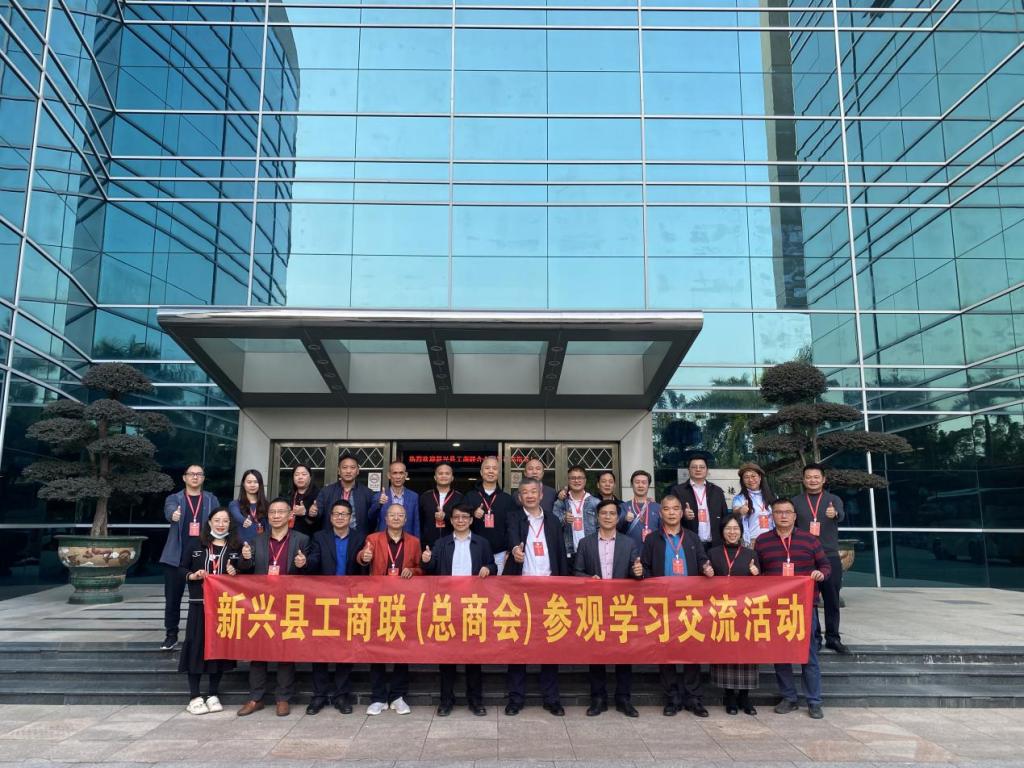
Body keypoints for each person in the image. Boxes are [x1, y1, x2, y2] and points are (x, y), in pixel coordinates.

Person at [637, 494, 714, 717]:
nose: (671, 512)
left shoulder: (692, 538)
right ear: (660, 513)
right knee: (666, 652)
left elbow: (702, 560)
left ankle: (694, 698)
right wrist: (640, 574)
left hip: (690, 604)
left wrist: (706, 568)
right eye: (667, 509)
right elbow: (645, 568)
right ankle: (672, 697)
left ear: (681, 513)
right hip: (663, 605)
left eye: (675, 509)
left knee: (691, 650)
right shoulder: (652, 539)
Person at [755, 498, 830, 719]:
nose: (783, 516)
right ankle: (789, 697)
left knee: (809, 655)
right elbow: (757, 572)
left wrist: (820, 574)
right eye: (778, 512)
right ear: (772, 516)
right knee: (781, 654)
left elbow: (826, 566)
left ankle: (814, 701)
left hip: (803, 607)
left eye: (787, 512)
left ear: (795, 516)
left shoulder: (809, 540)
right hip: (776, 607)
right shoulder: (762, 541)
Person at [236, 497, 311, 717]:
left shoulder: (302, 540)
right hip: (262, 603)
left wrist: (303, 564)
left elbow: (311, 571)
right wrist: (245, 559)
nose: (276, 516)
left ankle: (283, 698)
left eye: (281, 512)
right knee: (258, 650)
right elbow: (245, 569)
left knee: (285, 650)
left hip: (289, 602)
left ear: (290, 515)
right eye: (272, 512)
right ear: (267, 516)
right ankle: (256, 697)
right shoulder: (257, 540)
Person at [421, 503, 496, 717]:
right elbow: (431, 569)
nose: (461, 520)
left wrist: (488, 568)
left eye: (465, 517)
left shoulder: (481, 543)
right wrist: (426, 561)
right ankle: (446, 700)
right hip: (448, 605)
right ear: (451, 520)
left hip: (473, 605)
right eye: (456, 517)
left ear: (471, 520)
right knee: (447, 657)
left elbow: (493, 566)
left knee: (474, 657)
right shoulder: (441, 543)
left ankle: (476, 701)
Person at [504, 477, 570, 716]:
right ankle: (515, 698)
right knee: (517, 644)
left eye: (534, 491)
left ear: (541, 495)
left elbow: (560, 553)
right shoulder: (513, 517)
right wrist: (515, 550)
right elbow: (512, 537)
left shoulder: (552, 520)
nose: (530, 495)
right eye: (525, 492)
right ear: (519, 497)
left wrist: (564, 586)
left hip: (549, 592)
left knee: (549, 645)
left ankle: (551, 698)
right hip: (521, 591)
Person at [573, 498, 641, 718]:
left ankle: (624, 698)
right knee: (597, 654)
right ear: (597, 517)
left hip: (621, 606)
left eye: (612, 513)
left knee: (624, 655)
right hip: (596, 605)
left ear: (618, 517)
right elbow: (576, 572)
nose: (608, 517)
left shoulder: (628, 543)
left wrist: (638, 572)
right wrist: (588, 579)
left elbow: (636, 572)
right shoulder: (585, 543)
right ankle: (598, 699)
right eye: (604, 513)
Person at [357, 503, 422, 715]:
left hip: (403, 602)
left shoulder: (414, 542)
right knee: (377, 649)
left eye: (400, 515)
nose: (395, 518)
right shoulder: (373, 539)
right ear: (385, 519)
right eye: (392, 515)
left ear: (405, 519)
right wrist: (364, 557)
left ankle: (398, 696)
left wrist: (412, 571)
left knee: (402, 649)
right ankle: (378, 697)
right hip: (378, 601)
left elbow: (421, 568)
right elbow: (362, 558)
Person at [305, 499, 365, 715]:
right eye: (336, 514)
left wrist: (366, 560)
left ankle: (341, 695)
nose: (340, 517)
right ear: (330, 517)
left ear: (350, 517)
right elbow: (314, 561)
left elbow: (363, 568)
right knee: (320, 648)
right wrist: (305, 562)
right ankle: (319, 695)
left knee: (345, 648)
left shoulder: (359, 538)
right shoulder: (319, 537)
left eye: (344, 514)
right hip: (324, 600)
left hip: (349, 600)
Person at [179, 507, 241, 715]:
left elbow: (246, 571)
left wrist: (236, 569)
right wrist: (193, 575)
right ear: (209, 522)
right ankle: (194, 696)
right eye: (217, 520)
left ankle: (213, 693)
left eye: (225, 521)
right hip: (200, 604)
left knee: (219, 649)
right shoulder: (196, 544)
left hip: (224, 607)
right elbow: (180, 569)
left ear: (230, 524)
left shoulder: (235, 547)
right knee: (196, 647)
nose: (221, 524)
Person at [159, 464, 220, 651]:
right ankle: (171, 635)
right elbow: (169, 511)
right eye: (191, 474)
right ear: (184, 478)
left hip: (201, 556)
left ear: (203, 478)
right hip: (176, 557)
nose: (195, 477)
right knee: (172, 599)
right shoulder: (174, 498)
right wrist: (173, 515)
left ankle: (206, 635)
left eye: (199, 474)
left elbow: (219, 520)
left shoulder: (211, 499)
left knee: (206, 598)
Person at [791, 463, 849, 654]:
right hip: (804, 557)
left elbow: (841, 515)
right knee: (808, 600)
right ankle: (814, 638)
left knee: (832, 599)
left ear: (823, 479)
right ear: (803, 480)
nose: (812, 480)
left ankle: (833, 637)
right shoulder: (796, 501)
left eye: (816, 477)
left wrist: (835, 513)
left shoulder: (833, 499)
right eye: (808, 477)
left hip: (829, 555)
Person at [707, 513, 761, 716]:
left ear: (741, 531)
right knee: (726, 654)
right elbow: (704, 583)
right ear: (722, 532)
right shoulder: (713, 553)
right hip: (722, 612)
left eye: (736, 528)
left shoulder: (750, 554)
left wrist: (756, 575)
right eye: (728, 528)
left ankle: (745, 697)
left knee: (747, 654)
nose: (732, 532)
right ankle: (729, 696)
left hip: (745, 612)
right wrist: (707, 573)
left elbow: (763, 587)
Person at [464, 456, 515, 574]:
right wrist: (472, 514)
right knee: (473, 584)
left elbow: (512, 527)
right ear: (481, 472)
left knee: (497, 585)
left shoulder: (507, 499)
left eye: (494, 468)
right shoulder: (470, 496)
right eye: (487, 468)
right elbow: (460, 521)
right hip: (473, 551)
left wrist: (509, 550)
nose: (491, 471)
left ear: (498, 473)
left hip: (500, 553)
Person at [670, 455, 728, 549]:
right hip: (688, 544)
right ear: (688, 470)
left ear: (707, 470)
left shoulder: (717, 491)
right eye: (694, 467)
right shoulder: (678, 491)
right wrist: (683, 515)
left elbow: (725, 517)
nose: (698, 469)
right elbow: (670, 515)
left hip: (715, 545)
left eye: (702, 467)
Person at [312, 453, 375, 533]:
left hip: (358, 538)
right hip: (331, 537)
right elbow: (317, 515)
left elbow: (373, 518)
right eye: (344, 467)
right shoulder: (326, 491)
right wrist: (313, 513)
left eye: (352, 467)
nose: (348, 471)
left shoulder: (367, 493)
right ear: (339, 471)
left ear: (358, 471)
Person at [553, 465, 598, 563]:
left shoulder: (595, 503)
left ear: (585, 480)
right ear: (568, 481)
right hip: (568, 553)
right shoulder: (561, 502)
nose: (576, 481)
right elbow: (553, 526)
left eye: (580, 478)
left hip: (591, 552)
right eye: (573, 478)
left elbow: (600, 528)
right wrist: (564, 519)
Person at [369, 461, 420, 538]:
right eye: (395, 473)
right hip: (384, 540)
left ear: (406, 475)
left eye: (401, 473)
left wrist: (417, 542)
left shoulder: (414, 497)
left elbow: (416, 523)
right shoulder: (378, 496)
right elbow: (370, 519)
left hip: (407, 540)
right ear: (389, 475)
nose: (398, 477)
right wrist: (378, 504)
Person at [418, 462, 463, 549]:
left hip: (453, 545)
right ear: (435, 477)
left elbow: (463, 521)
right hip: (429, 546)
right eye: (440, 473)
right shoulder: (425, 497)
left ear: (452, 477)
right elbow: (420, 522)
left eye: (447, 473)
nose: (444, 476)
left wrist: (446, 516)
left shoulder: (459, 497)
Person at [731, 462, 776, 547]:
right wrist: (740, 511)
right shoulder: (740, 498)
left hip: (772, 540)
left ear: (760, 477)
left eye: (753, 476)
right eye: (746, 477)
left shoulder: (772, 496)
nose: (750, 480)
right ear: (742, 481)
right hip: (752, 541)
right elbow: (735, 511)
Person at [618, 469, 661, 546]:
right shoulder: (623, 507)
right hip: (630, 550)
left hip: (653, 550)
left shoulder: (658, 507)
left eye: (644, 482)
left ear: (648, 485)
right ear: (631, 485)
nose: (640, 485)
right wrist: (624, 520)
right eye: (637, 482)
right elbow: (616, 529)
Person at [228, 468, 268, 544]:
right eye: (249, 482)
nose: (252, 485)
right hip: (240, 546)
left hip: (261, 546)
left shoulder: (267, 505)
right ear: (243, 484)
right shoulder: (235, 504)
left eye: (256, 482)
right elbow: (236, 515)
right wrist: (243, 520)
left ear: (260, 484)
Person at [289, 463, 321, 537]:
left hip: (310, 538)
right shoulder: (289, 495)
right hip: (291, 537)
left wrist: (305, 513)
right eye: (296, 475)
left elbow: (321, 521)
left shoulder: (318, 495)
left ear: (310, 477)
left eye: (304, 474)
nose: (300, 477)